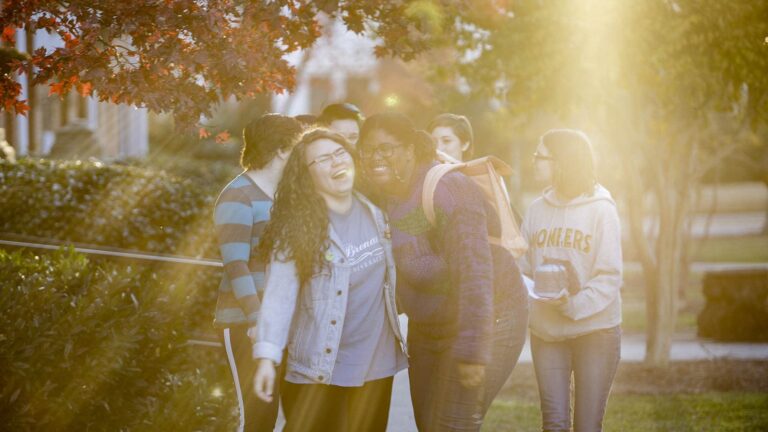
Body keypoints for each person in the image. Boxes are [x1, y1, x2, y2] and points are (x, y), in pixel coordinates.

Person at [358, 113, 528, 432]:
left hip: (490, 316)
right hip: (429, 327)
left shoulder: (448, 188)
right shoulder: (387, 194)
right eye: (367, 151)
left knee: (453, 424)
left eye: (386, 149)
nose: (375, 158)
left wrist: (473, 348)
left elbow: (475, 272)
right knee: (429, 424)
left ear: (409, 149)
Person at [252, 129, 408, 432]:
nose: (336, 162)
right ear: (307, 176)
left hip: (376, 364)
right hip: (319, 368)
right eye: (323, 159)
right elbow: (278, 297)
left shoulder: (378, 211)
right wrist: (266, 358)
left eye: (340, 153)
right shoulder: (295, 230)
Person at [519, 129, 623, 432]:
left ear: (562, 162)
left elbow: (609, 276)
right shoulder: (537, 209)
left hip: (596, 331)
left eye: (541, 156)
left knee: (587, 427)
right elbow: (524, 267)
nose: (535, 162)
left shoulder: (602, 209)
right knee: (554, 424)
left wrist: (572, 304)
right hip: (547, 332)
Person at [212, 113, 303, 432]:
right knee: (257, 420)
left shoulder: (283, 195)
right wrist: (256, 319)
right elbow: (236, 265)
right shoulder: (238, 195)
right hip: (244, 324)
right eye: (298, 147)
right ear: (281, 149)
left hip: (282, 324)